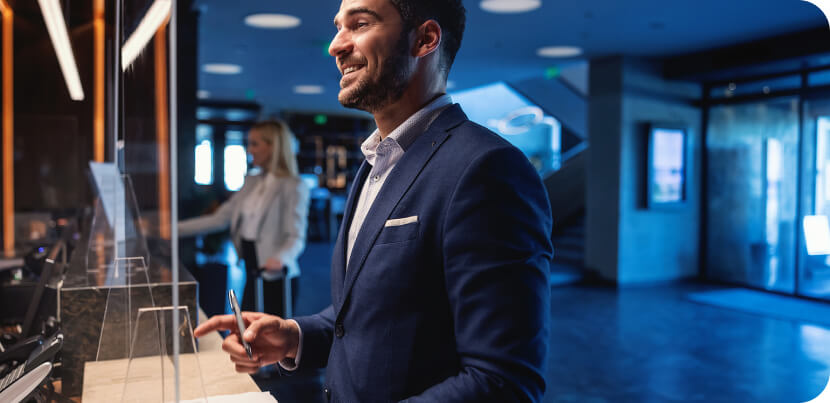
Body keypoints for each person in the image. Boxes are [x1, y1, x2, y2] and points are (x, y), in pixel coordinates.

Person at [194, 0, 553, 401]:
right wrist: (295, 336)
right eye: (338, 27)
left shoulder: (487, 168)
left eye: (359, 24)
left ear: (425, 39)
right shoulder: (374, 164)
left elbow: (504, 382)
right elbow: (366, 316)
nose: (335, 45)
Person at [180, 120, 309, 316]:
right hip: (251, 268)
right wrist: (172, 229)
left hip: (275, 275)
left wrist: (281, 258)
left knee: (271, 336)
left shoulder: (294, 185)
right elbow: (219, 219)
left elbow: (296, 236)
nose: (249, 150)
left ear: (273, 147)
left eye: (255, 144)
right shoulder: (251, 181)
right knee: (246, 327)